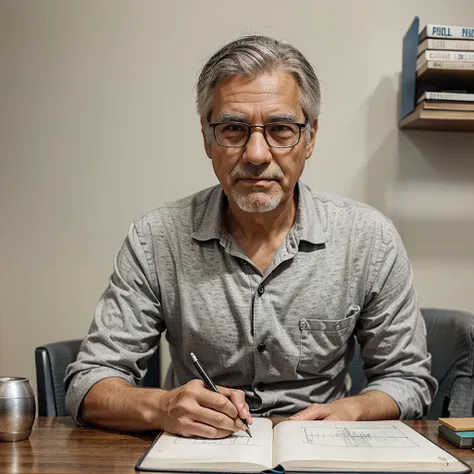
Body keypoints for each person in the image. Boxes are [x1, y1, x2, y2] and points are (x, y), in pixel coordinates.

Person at [65, 35, 437, 439]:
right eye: (233, 129)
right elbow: (90, 382)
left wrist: (353, 408)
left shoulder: (368, 239)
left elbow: (408, 379)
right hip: (197, 450)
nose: (257, 154)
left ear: (310, 137)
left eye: (280, 129)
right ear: (207, 140)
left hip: (321, 452)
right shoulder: (156, 239)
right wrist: (163, 406)